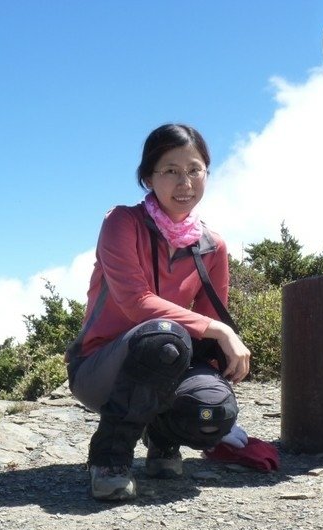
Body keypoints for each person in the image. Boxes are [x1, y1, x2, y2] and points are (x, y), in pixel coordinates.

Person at [66, 123, 251, 501]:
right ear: (148, 177)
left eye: (194, 170)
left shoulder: (212, 247)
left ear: (207, 174)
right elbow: (136, 302)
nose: (185, 182)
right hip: (100, 369)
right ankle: (110, 457)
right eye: (170, 171)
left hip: (166, 361)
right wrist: (221, 330)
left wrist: (215, 396)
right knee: (164, 335)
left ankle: (163, 439)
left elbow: (205, 329)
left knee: (211, 411)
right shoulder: (122, 222)